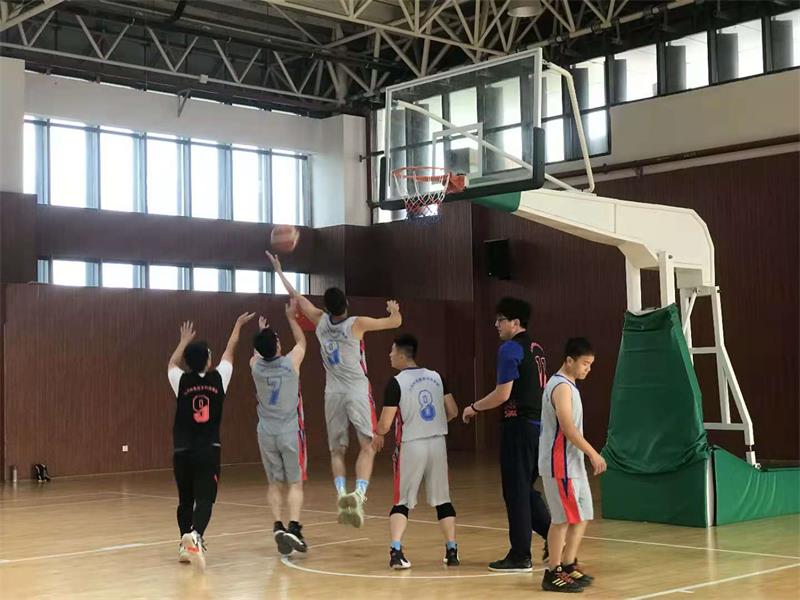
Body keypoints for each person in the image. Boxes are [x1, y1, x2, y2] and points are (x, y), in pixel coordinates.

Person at [266, 250, 402, 527]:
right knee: (367, 445)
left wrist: (279, 271)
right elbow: (395, 322)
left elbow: (296, 296)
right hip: (356, 390)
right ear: (346, 305)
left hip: (333, 392)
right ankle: (358, 494)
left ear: (327, 308)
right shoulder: (356, 324)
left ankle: (341, 494)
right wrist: (394, 309)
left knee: (337, 450)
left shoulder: (319, 320)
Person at [462, 297, 551, 572]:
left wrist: (474, 407)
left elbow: (503, 394)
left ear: (515, 322)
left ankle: (520, 555)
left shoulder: (510, 348)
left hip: (518, 426)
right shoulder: (537, 348)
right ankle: (554, 535)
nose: (496, 324)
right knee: (524, 488)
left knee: (516, 492)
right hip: (539, 427)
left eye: (500, 320)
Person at [167, 312, 255, 569]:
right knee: (205, 499)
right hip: (207, 450)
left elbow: (171, 364)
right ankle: (196, 535)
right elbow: (230, 350)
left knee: (185, 500)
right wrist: (237, 325)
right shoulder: (219, 379)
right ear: (207, 359)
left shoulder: (181, 381)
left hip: (182, 451)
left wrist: (183, 341)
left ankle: (184, 544)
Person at [374, 334, 460, 570]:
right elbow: (453, 410)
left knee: (402, 500)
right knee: (443, 499)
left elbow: (385, 424)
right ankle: (452, 550)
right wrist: (434, 425)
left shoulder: (396, 383)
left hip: (411, 445)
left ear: (402, 355)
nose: (390, 355)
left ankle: (396, 551)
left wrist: (376, 433)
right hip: (437, 443)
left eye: (392, 351)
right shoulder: (437, 377)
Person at [539, 337, 606, 593]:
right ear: (569, 360)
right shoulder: (560, 387)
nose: (588, 368)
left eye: (590, 364)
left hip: (572, 463)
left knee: (583, 514)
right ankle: (552, 571)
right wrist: (593, 453)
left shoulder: (570, 385)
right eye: (585, 363)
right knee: (562, 520)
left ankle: (567, 565)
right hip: (560, 465)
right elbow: (567, 428)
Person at [250, 299, 308, 556]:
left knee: (274, 483)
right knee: (295, 482)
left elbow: (257, 352)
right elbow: (302, 342)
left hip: (266, 432)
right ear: (276, 344)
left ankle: (277, 525)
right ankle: (294, 527)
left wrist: (261, 332)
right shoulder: (290, 362)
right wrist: (291, 318)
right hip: (289, 431)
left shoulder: (255, 366)